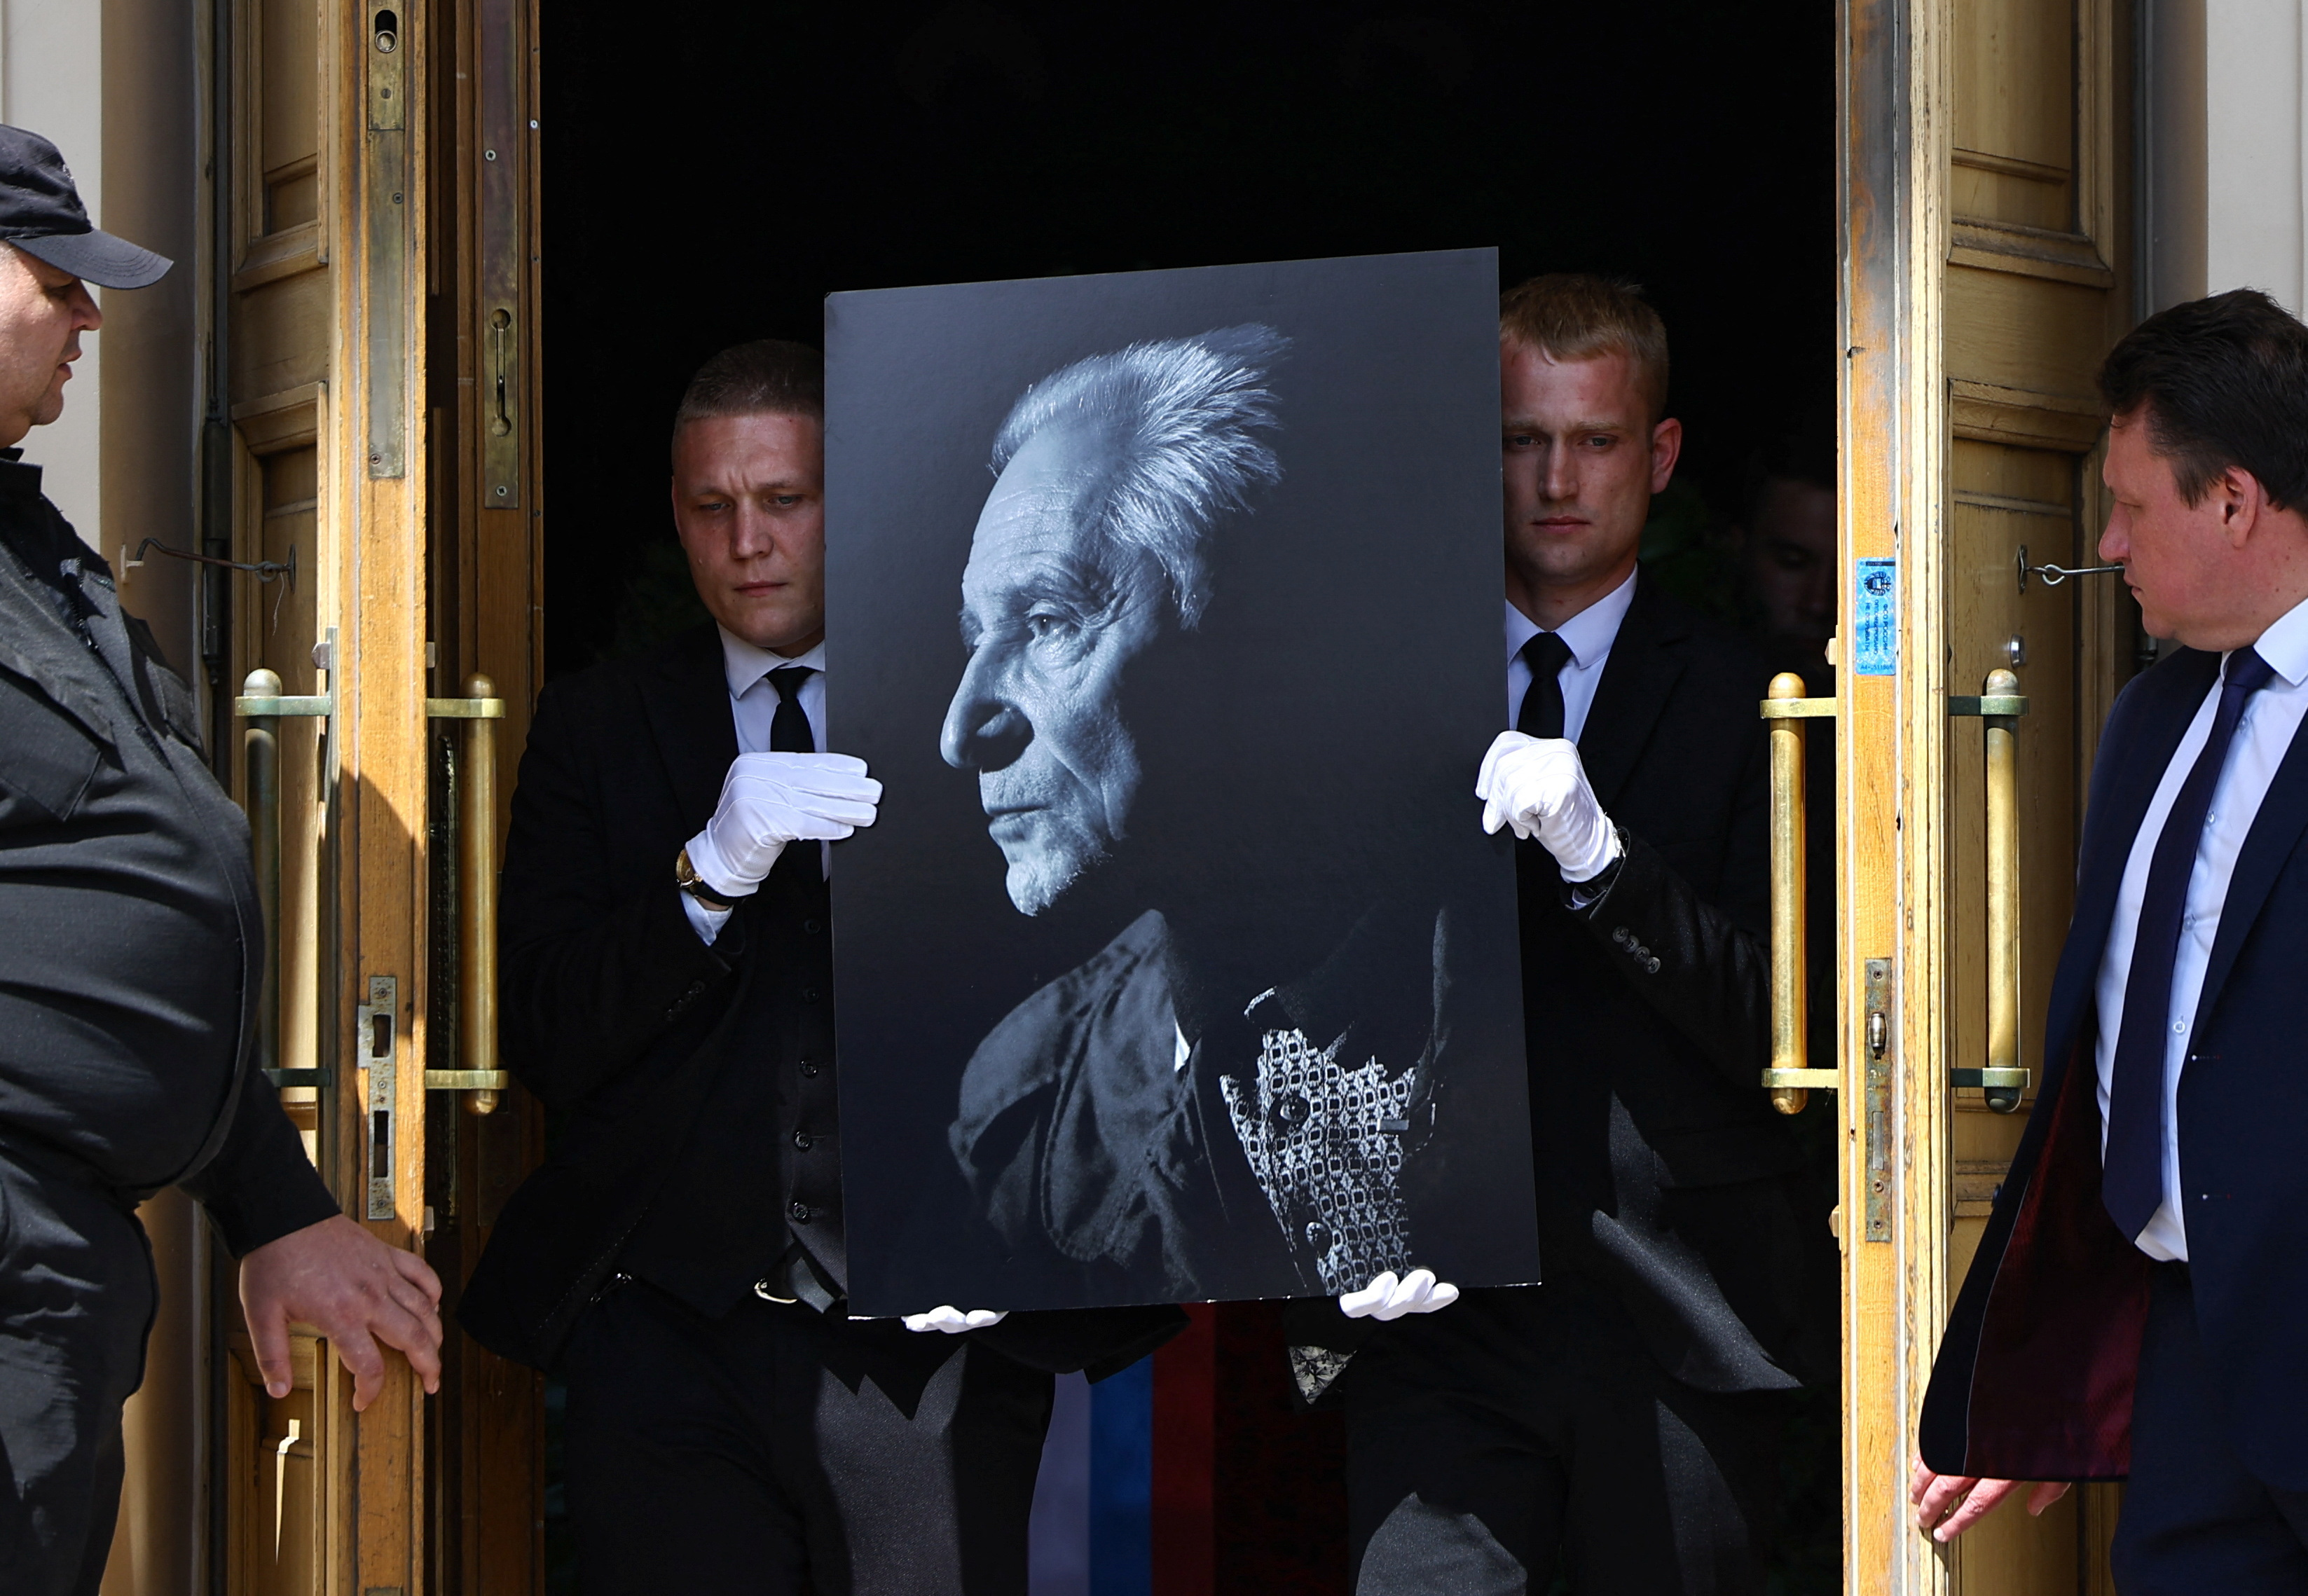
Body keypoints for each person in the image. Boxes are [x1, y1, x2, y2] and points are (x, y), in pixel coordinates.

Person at [458, 339, 1181, 1595]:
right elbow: (550, 1030)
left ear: (853, 505)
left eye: (784, 500)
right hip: (666, 1336)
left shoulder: (980, 708)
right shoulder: (598, 725)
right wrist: (708, 875)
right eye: (711, 507)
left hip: (932, 1345)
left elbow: (1103, 971)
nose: (748, 540)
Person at [1325, 275, 1836, 1594]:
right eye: (1517, 437)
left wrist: (1605, 865)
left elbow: (1792, 1024)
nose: (1556, 477)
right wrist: (1325, 1211)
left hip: (1679, 1316)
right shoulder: (1367, 688)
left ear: (1659, 456)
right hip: (1429, 1315)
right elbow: (1289, 980)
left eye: (1595, 439)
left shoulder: (1757, 699)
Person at [0, 125, 444, 1596]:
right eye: (56, 275)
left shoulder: (28, 537)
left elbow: (135, 866)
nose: (89, 315)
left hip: (55, 1271)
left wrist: (280, 1204)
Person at [939, 326, 1525, 1312]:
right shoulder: (1020, 1099)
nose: (961, 730)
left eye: (1046, 624)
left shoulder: (1512, 975)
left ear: (1258, 636)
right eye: (973, 636)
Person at [1914, 289, 2308, 1590]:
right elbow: (2120, 1050)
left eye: (2134, 507)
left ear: (2235, 501)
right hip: (2192, 1359)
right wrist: (2047, 1363)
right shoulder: (2147, 718)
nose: (2106, 541)